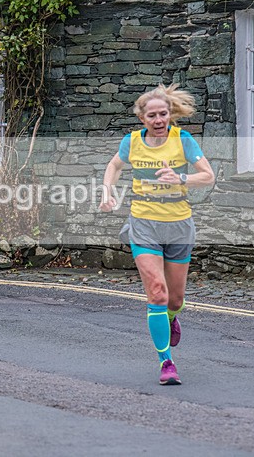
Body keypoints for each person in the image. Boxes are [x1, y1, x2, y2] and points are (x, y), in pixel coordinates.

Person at [100, 84, 214, 385]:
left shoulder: (183, 140)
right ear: (142, 118)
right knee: (158, 293)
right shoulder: (132, 142)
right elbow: (114, 165)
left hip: (178, 223)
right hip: (144, 222)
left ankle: (173, 318)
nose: (159, 119)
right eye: (152, 115)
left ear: (170, 114)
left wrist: (181, 177)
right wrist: (107, 192)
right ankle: (166, 362)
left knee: (175, 299)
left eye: (163, 113)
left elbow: (208, 175)